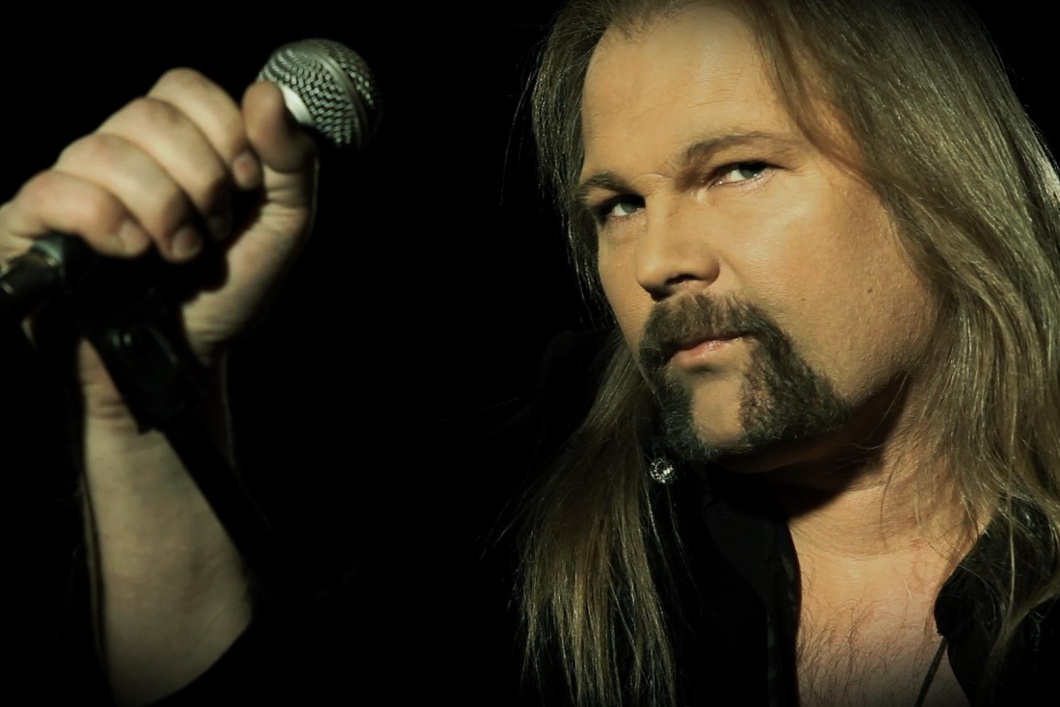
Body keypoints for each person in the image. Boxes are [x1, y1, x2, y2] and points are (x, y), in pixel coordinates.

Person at [2, 1, 1058, 705]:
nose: (659, 259)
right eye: (617, 204)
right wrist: (143, 398)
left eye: (737, 169)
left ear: (940, 171)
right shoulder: (528, 502)